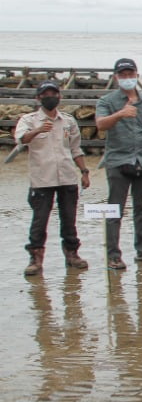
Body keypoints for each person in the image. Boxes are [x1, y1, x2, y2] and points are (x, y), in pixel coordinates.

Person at [95, 58, 142, 269]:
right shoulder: (107, 101)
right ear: (116, 77)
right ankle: (113, 255)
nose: (127, 78)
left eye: (131, 74)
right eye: (123, 75)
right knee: (114, 210)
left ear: (137, 75)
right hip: (118, 161)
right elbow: (100, 125)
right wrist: (119, 114)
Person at [15, 81, 91, 275]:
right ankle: (36, 258)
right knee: (39, 220)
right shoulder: (29, 119)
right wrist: (38, 130)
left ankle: (72, 254)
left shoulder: (68, 121)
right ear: (38, 98)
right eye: (45, 94)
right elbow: (21, 139)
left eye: (54, 93)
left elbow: (75, 148)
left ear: (59, 96)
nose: (50, 97)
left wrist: (84, 171)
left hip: (67, 176)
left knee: (69, 218)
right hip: (42, 179)